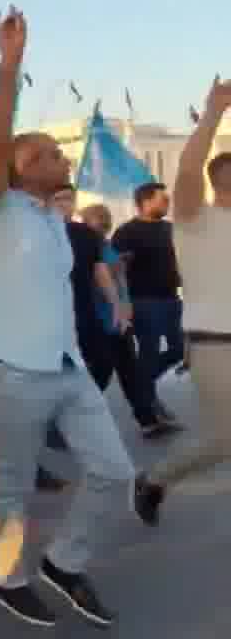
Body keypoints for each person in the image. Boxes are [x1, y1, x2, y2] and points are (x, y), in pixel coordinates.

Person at [0, 8, 135, 630]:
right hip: (16, 373)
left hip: (69, 368)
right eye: (45, 154)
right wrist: (10, 64)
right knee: (13, 488)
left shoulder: (53, 219)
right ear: (20, 170)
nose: (60, 157)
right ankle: (9, 579)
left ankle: (65, 564)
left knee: (114, 472)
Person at [134, 78, 231, 526]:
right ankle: (155, 479)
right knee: (224, 440)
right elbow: (189, 171)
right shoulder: (195, 219)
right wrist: (214, 112)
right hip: (216, 343)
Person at [77, 202, 178, 437]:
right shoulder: (87, 247)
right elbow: (97, 281)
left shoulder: (106, 245)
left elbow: (119, 279)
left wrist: (125, 303)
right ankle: (69, 420)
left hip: (118, 318)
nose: (103, 221)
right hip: (101, 319)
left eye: (105, 217)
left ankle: (148, 421)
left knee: (128, 371)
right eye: (97, 218)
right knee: (101, 372)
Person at [112, 182, 185, 397]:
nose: (167, 204)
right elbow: (117, 269)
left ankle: (141, 379)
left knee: (181, 349)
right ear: (145, 202)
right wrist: (122, 302)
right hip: (143, 302)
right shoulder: (127, 232)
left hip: (172, 299)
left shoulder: (170, 228)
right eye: (163, 200)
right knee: (149, 352)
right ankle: (148, 401)